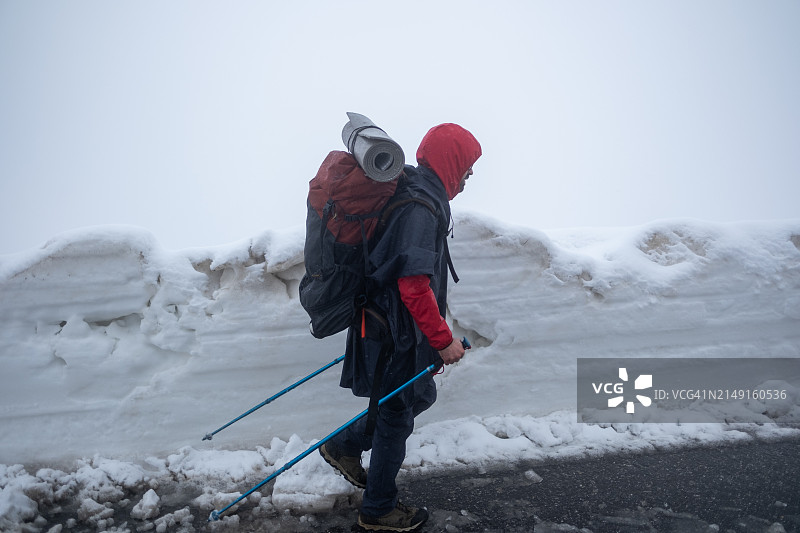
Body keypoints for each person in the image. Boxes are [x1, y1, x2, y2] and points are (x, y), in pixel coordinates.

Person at [319, 123, 482, 531]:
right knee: (396, 416)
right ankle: (378, 510)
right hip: (393, 333)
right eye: (468, 165)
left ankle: (343, 446)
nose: (471, 175)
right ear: (452, 162)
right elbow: (412, 286)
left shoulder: (418, 191)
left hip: (390, 326)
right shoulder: (419, 208)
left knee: (419, 395)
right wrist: (442, 341)